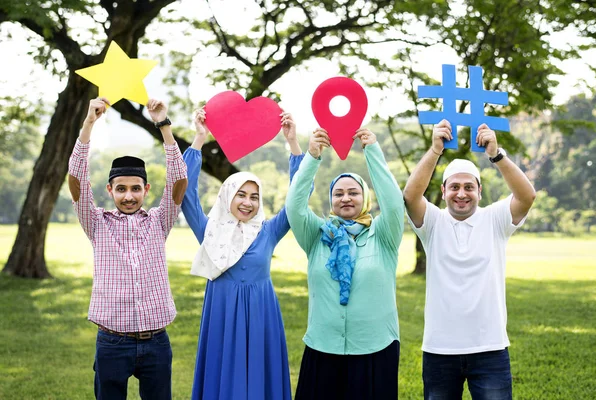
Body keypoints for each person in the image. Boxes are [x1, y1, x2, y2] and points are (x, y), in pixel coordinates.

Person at [403, 119, 536, 400]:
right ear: (443, 191)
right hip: (440, 350)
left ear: (479, 190)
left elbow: (526, 195)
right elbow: (411, 195)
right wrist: (435, 150)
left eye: (468, 187)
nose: (461, 194)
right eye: (454, 187)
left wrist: (496, 155)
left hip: (490, 349)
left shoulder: (495, 219)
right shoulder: (433, 222)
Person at [67, 97, 188, 399]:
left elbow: (179, 179)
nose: (129, 196)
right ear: (110, 190)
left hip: (156, 343)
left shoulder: (160, 221)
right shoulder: (96, 223)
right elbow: (76, 180)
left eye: (136, 188)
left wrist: (163, 125)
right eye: (121, 189)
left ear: (146, 189)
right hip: (111, 343)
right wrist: (89, 122)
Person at [182, 107, 304, 400]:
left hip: (262, 315)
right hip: (222, 313)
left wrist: (293, 143)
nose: (248, 202)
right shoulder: (209, 230)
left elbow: (297, 198)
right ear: (227, 195)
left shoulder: (269, 231)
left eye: (254, 196)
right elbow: (185, 194)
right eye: (241, 194)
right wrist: (199, 139)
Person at [285, 127, 405, 400]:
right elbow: (294, 206)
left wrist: (372, 151)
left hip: (375, 347)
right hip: (323, 346)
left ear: (366, 199)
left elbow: (395, 204)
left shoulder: (383, 234)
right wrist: (312, 157)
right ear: (331, 200)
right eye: (338, 194)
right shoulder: (317, 235)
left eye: (353, 192)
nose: (346, 198)